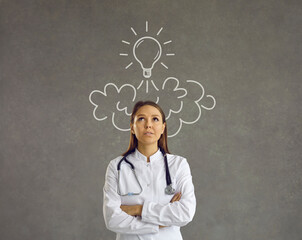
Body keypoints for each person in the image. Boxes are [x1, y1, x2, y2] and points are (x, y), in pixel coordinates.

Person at [103, 100, 196, 240]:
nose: (148, 125)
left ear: (163, 127)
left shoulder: (179, 165)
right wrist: (159, 223)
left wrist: (138, 209)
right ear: (132, 127)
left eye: (155, 119)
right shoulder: (117, 166)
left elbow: (185, 212)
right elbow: (112, 219)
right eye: (141, 119)